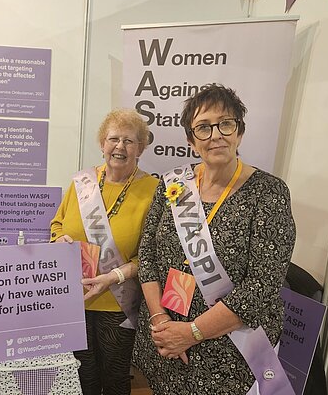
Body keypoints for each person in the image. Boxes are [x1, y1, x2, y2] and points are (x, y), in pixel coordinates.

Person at [133, 83, 296, 395]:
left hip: (228, 352)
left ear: (239, 132)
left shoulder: (268, 193)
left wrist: (192, 332)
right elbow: (148, 256)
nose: (216, 135)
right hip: (166, 336)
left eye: (226, 123)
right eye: (203, 128)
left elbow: (261, 285)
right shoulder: (172, 186)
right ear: (191, 141)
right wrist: (160, 320)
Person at [50, 109, 159, 395]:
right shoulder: (81, 183)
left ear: (141, 148)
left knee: (114, 377)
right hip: (75, 299)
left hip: (117, 304)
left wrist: (114, 277)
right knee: (79, 373)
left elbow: (153, 255)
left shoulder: (153, 191)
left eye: (129, 141)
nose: (120, 147)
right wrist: (59, 239)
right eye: (113, 139)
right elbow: (57, 224)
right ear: (102, 144)